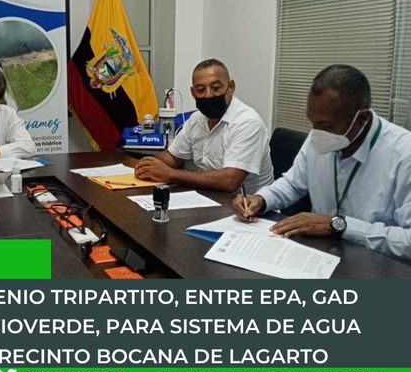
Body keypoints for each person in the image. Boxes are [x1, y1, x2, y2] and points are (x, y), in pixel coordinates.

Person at [233, 64, 411, 262]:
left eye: (326, 125)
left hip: (374, 265)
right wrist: (261, 199)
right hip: (317, 255)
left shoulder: (404, 155)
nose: (316, 133)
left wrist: (339, 226)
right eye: (312, 122)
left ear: (362, 118)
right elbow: (292, 184)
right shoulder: (319, 136)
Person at [135, 58, 273, 193]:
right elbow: (172, 157)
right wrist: (146, 165)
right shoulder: (196, 119)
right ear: (193, 93)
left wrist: (170, 174)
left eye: (216, 88)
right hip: (209, 196)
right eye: (201, 90)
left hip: (248, 204)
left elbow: (229, 181)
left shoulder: (247, 123)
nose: (208, 95)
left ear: (231, 87)